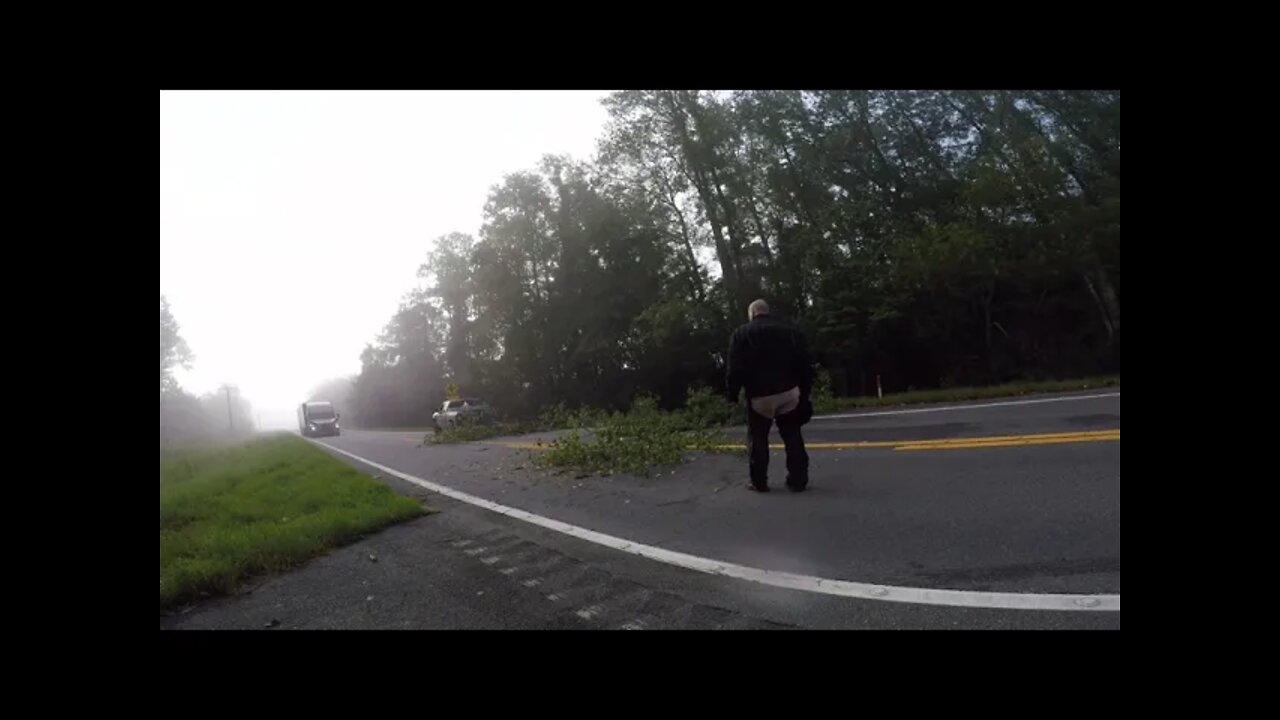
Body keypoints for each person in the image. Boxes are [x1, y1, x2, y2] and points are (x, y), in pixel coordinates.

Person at [725, 299, 813, 492]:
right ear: (767, 311)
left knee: (758, 439)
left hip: (759, 396)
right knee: (792, 436)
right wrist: (805, 395)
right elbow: (805, 364)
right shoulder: (790, 331)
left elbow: (735, 369)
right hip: (789, 392)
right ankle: (798, 479)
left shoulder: (741, 334)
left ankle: (759, 482)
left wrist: (732, 396)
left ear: (752, 314)